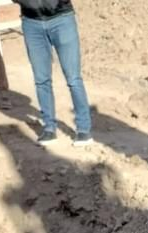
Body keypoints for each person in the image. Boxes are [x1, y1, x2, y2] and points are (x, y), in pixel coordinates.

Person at [18, 0, 92, 146]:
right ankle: (49, 128)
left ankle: (83, 129)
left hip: (61, 18)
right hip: (31, 22)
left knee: (73, 78)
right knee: (41, 80)